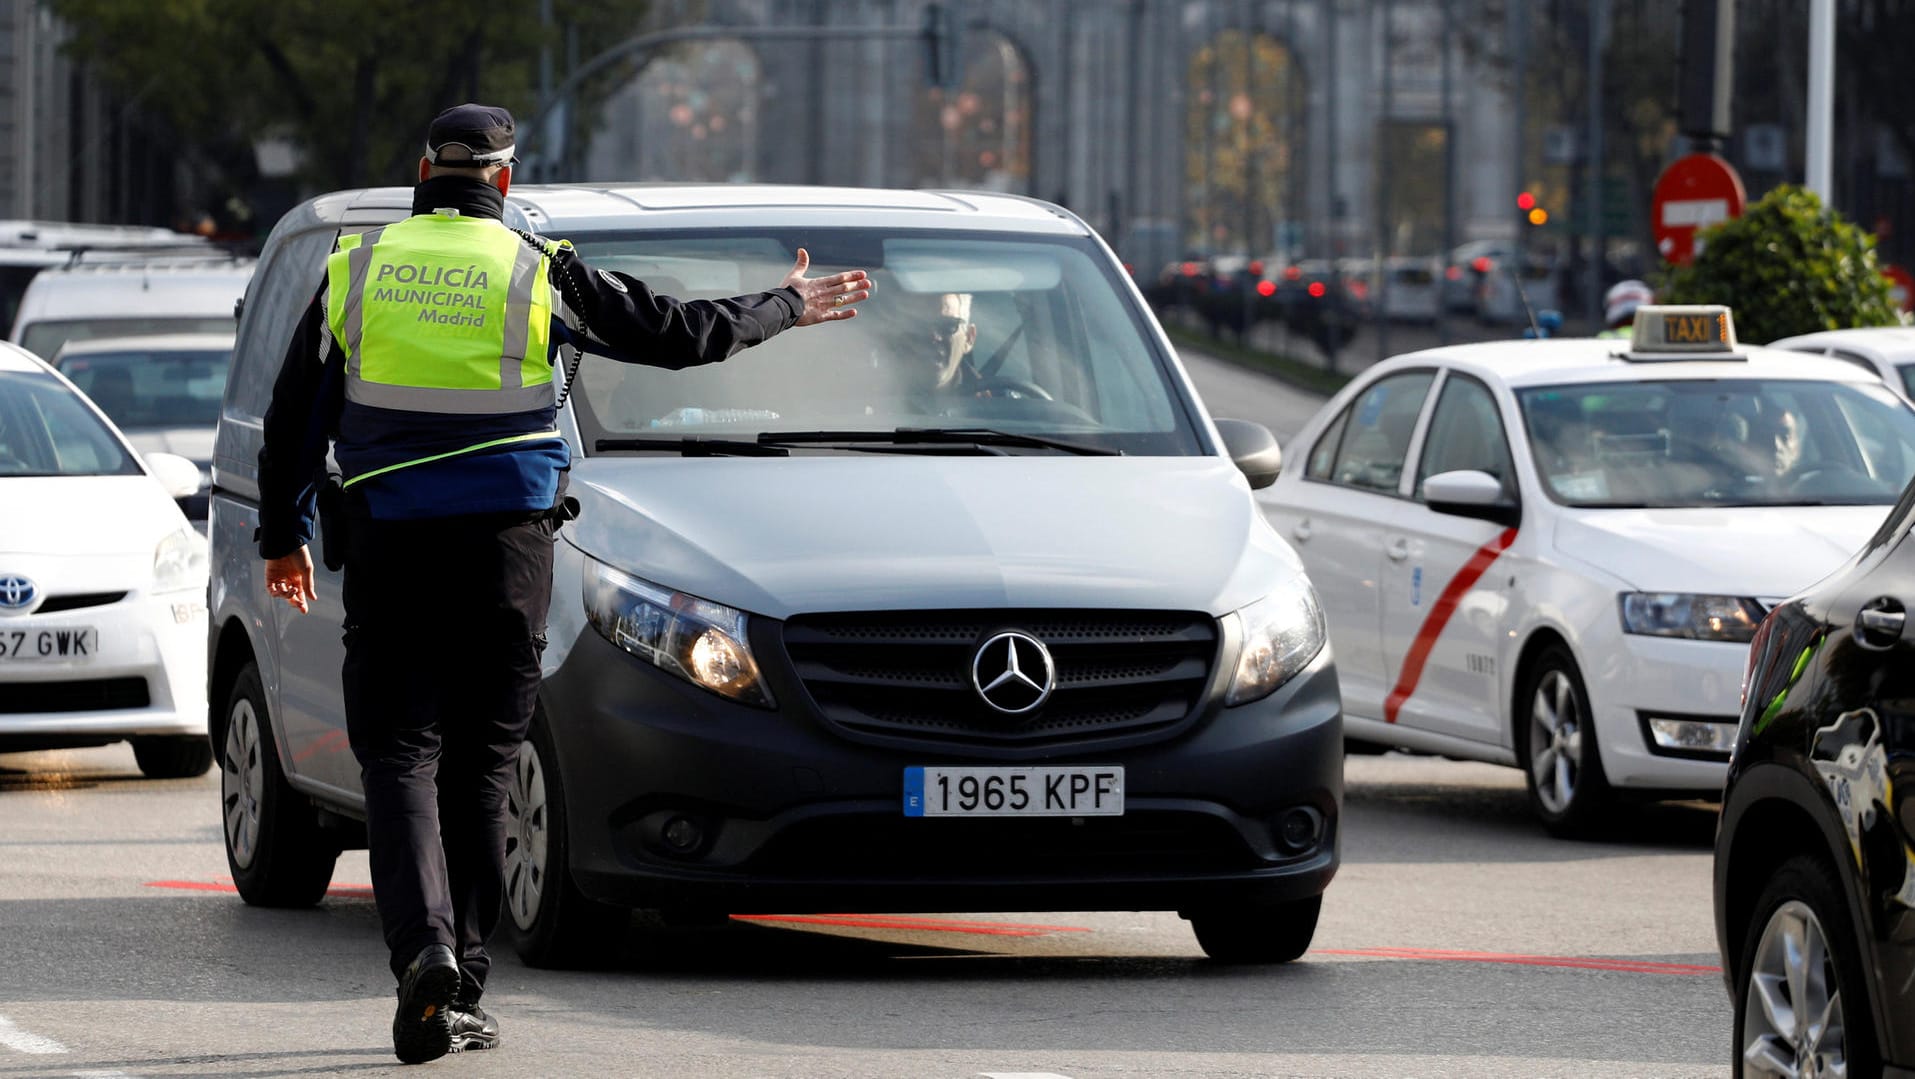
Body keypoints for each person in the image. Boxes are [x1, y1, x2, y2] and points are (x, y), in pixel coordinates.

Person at [255, 103, 870, 1064]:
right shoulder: (538, 268)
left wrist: (280, 534)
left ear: (425, 169)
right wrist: (786, 304)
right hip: (507, 551)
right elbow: (675, 334)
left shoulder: (358, 268)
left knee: (399, 755)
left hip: (391, 548)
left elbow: (297, 410)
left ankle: (422, 955)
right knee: (484, 763)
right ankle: (459, 971)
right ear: (503, 179)